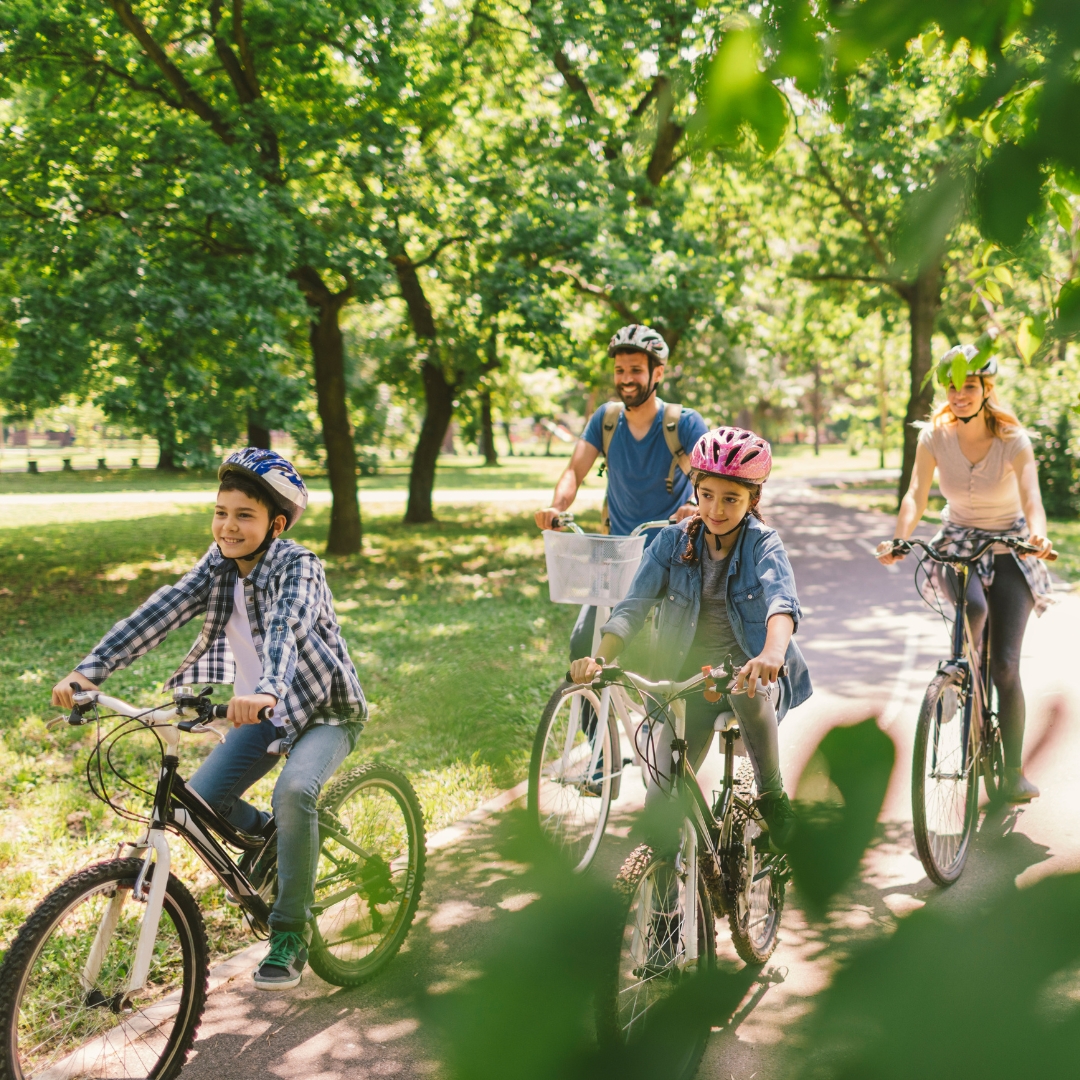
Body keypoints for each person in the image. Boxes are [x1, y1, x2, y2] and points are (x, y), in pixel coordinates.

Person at [51, 448, 367, 990]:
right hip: (263, 709)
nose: (228, 525)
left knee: (294, 792)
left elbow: (286, 629)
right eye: (221, 512)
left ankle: (291, 930)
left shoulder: (299, 567)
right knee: (199, 802)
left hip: (322, 710)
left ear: (277, 523)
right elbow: (162, 609)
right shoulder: (217, 564)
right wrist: (90, 672)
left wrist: (265, 689)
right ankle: (281, 843)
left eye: (245, 515)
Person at [569, 427, 812, 850]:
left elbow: (781, 603)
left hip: (749, 673)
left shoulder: (762, 544)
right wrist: (600, 659)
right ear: (695, 491)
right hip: (690, 681)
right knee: (661, 804)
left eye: (731, 499)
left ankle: (772, 795)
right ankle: (663, 908)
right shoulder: (671, 542)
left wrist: (772, 653)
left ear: (753, 500)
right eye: (707, 495)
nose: (716, 509)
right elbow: (633, 606)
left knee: (746, 685)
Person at [875, 345, 1054, 802]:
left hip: (1012, 545)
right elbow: (916, 493)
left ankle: (1012, 772)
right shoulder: (934, 437)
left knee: (1006, 668)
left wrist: (1039, 534)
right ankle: (957, 678)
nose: (959, 395)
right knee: (971, 607)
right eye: (952, 387)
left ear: (986, 390)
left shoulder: (1014, 440)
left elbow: (1032, 496)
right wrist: (900, 537)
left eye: (969, 386)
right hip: (958, 541)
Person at [535, 324, 709, 660]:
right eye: (619, 370)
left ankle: (663, 712)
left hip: (669, 556)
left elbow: (706, 480)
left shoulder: (682, 423)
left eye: (635, 370)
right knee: (584, 646)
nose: (626, 379)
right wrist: (555, 508)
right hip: (616, 555)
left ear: (657, 373)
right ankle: (591, 712)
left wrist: (692, 503)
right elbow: (575, 470)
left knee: (664, 655)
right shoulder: (606, 420)